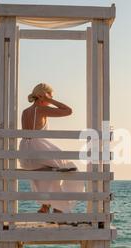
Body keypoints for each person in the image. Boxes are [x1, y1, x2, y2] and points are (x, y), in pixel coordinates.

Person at [18, 83, 85, 214]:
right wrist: (49, 100)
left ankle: (45, 206)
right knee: (72, 170)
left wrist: (46, 99)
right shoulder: (40, 109)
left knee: (51, 173)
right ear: (44, 96)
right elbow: (68, 111)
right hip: (38, 149)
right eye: (50, 96)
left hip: (25, 153)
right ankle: (59, 207)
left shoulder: (25, 112)